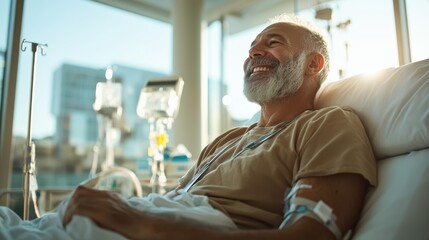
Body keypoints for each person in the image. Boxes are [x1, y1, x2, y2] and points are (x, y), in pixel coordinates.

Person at [62, 14, 376, 240]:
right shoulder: (229, 139)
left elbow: (310, 235)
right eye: (252, 46)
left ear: (313, 64)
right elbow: (174, 198)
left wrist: (146, 225)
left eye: (273, 42)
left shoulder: (327, 125)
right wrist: (129, 210)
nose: (254, 53)